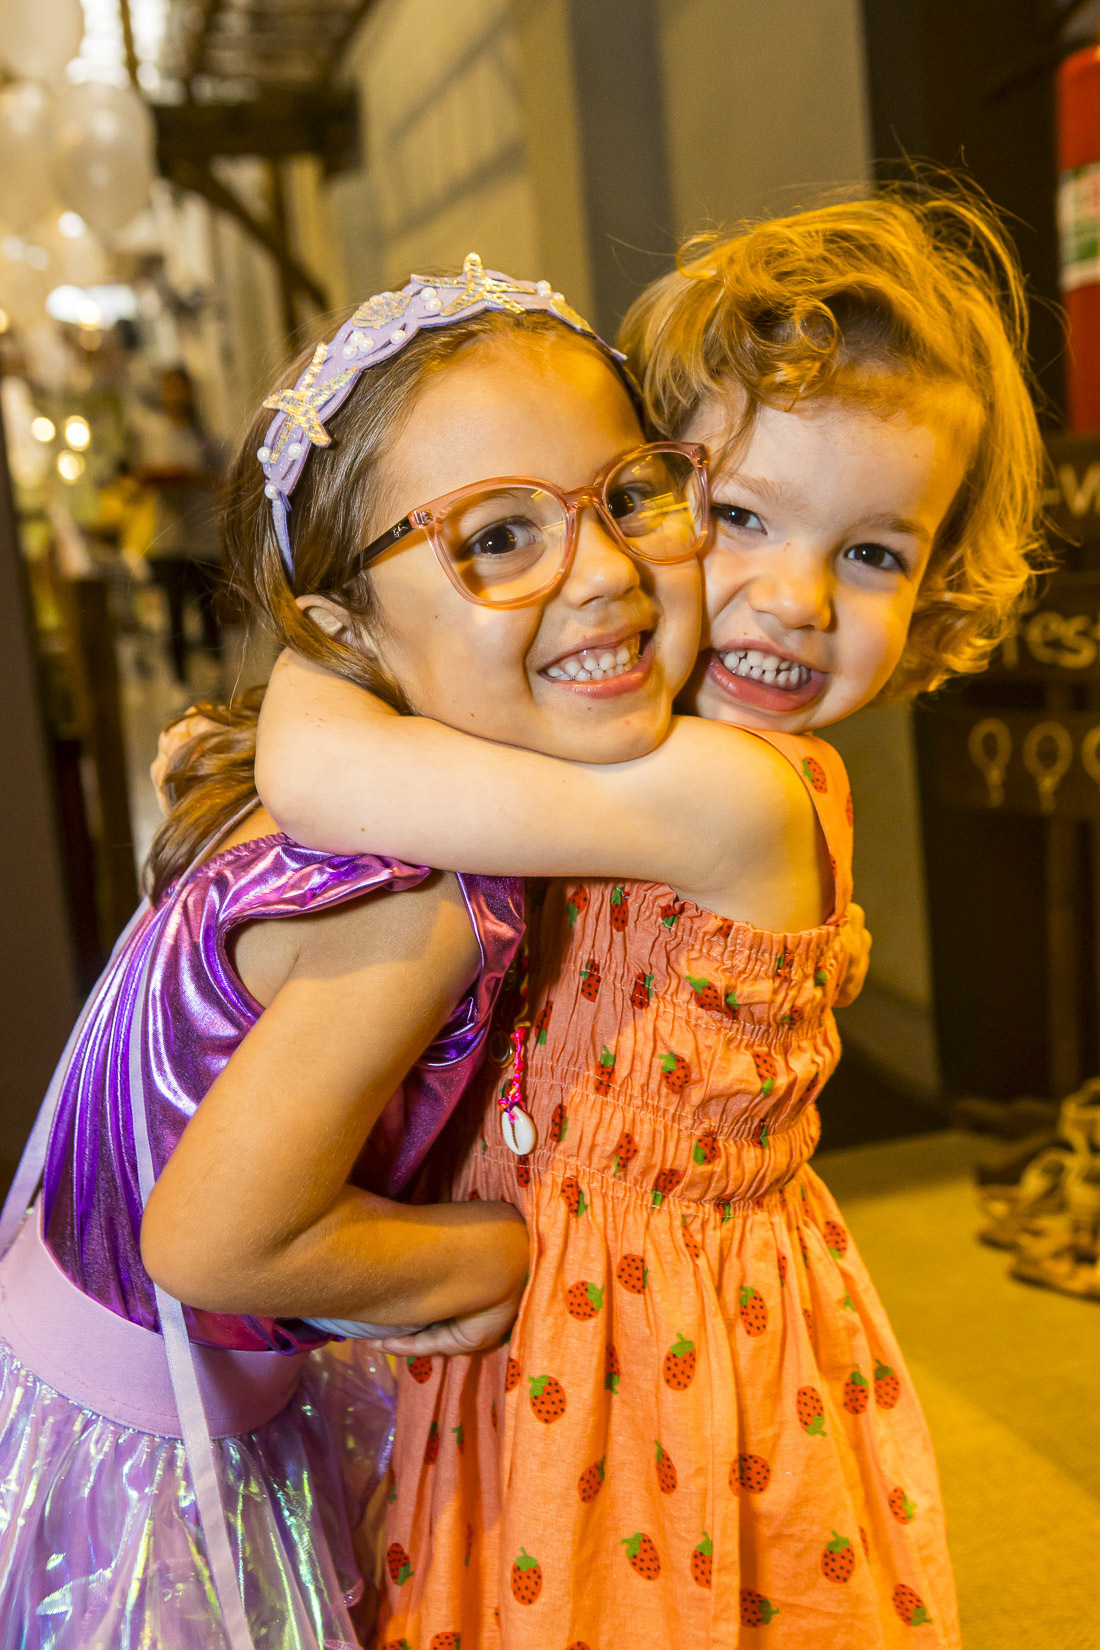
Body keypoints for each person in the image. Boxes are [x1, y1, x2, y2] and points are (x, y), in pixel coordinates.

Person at [252, 191, 1043, 1649]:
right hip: (547, 1329)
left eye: (875, 553)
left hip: (666, 1365)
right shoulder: (624, 742)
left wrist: (329, 645)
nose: (796, 598)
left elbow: (319, 776)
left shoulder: (733, 795)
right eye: (740, 516)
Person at [0, 262, 707, 1650]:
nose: (606, 570)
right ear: (346, 632)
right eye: (497, 536)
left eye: (627, 496)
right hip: (150, 1477)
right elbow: (215, 1237)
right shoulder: (414, 893)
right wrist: (498, 1258)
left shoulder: (345, 784)